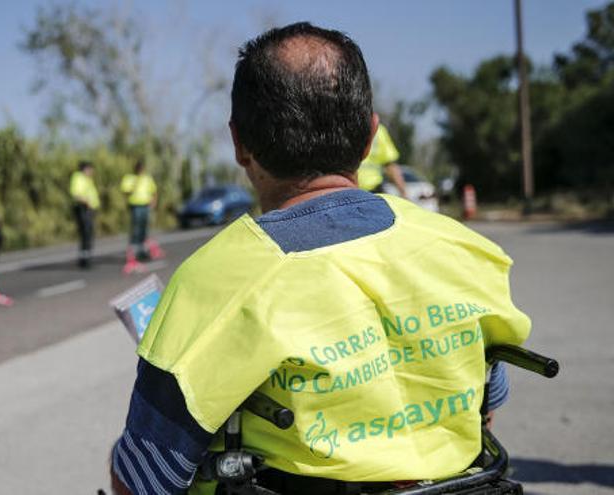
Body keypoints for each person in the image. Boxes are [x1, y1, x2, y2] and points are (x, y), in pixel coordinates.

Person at [110, 22, 530, 495]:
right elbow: (485, 409)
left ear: (239, 144)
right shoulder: (466, 250)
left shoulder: (212, 282)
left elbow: (142, 480)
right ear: (370, 136)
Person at [120, 160, 164, 274]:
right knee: (136, 230)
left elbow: (154, 191)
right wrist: (135, 184)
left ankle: (142, 252)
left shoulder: (147, 178)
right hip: (135, 206)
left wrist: (154, 201)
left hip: (145, 206)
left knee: (144, 230)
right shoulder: (129, 178)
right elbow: (125, 191)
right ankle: (133, 255)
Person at [357, 122, 408, 197]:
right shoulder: (377, 130)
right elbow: (390, 165)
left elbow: (390, 165)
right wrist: (404, 193)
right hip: (373, 191)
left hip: (346, 189)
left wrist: (403, 192)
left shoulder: (340, 127)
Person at [69, 161, 100, 268]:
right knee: (86, 234)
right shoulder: (79, 178)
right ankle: (85, 260)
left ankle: (86, 258)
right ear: (85, 169)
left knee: (88, 234)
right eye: (90, 169)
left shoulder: (87, 179)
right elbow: (76, 194)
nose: (92, 171)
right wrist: (86, 202)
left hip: (89, 210)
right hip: (84, 209)